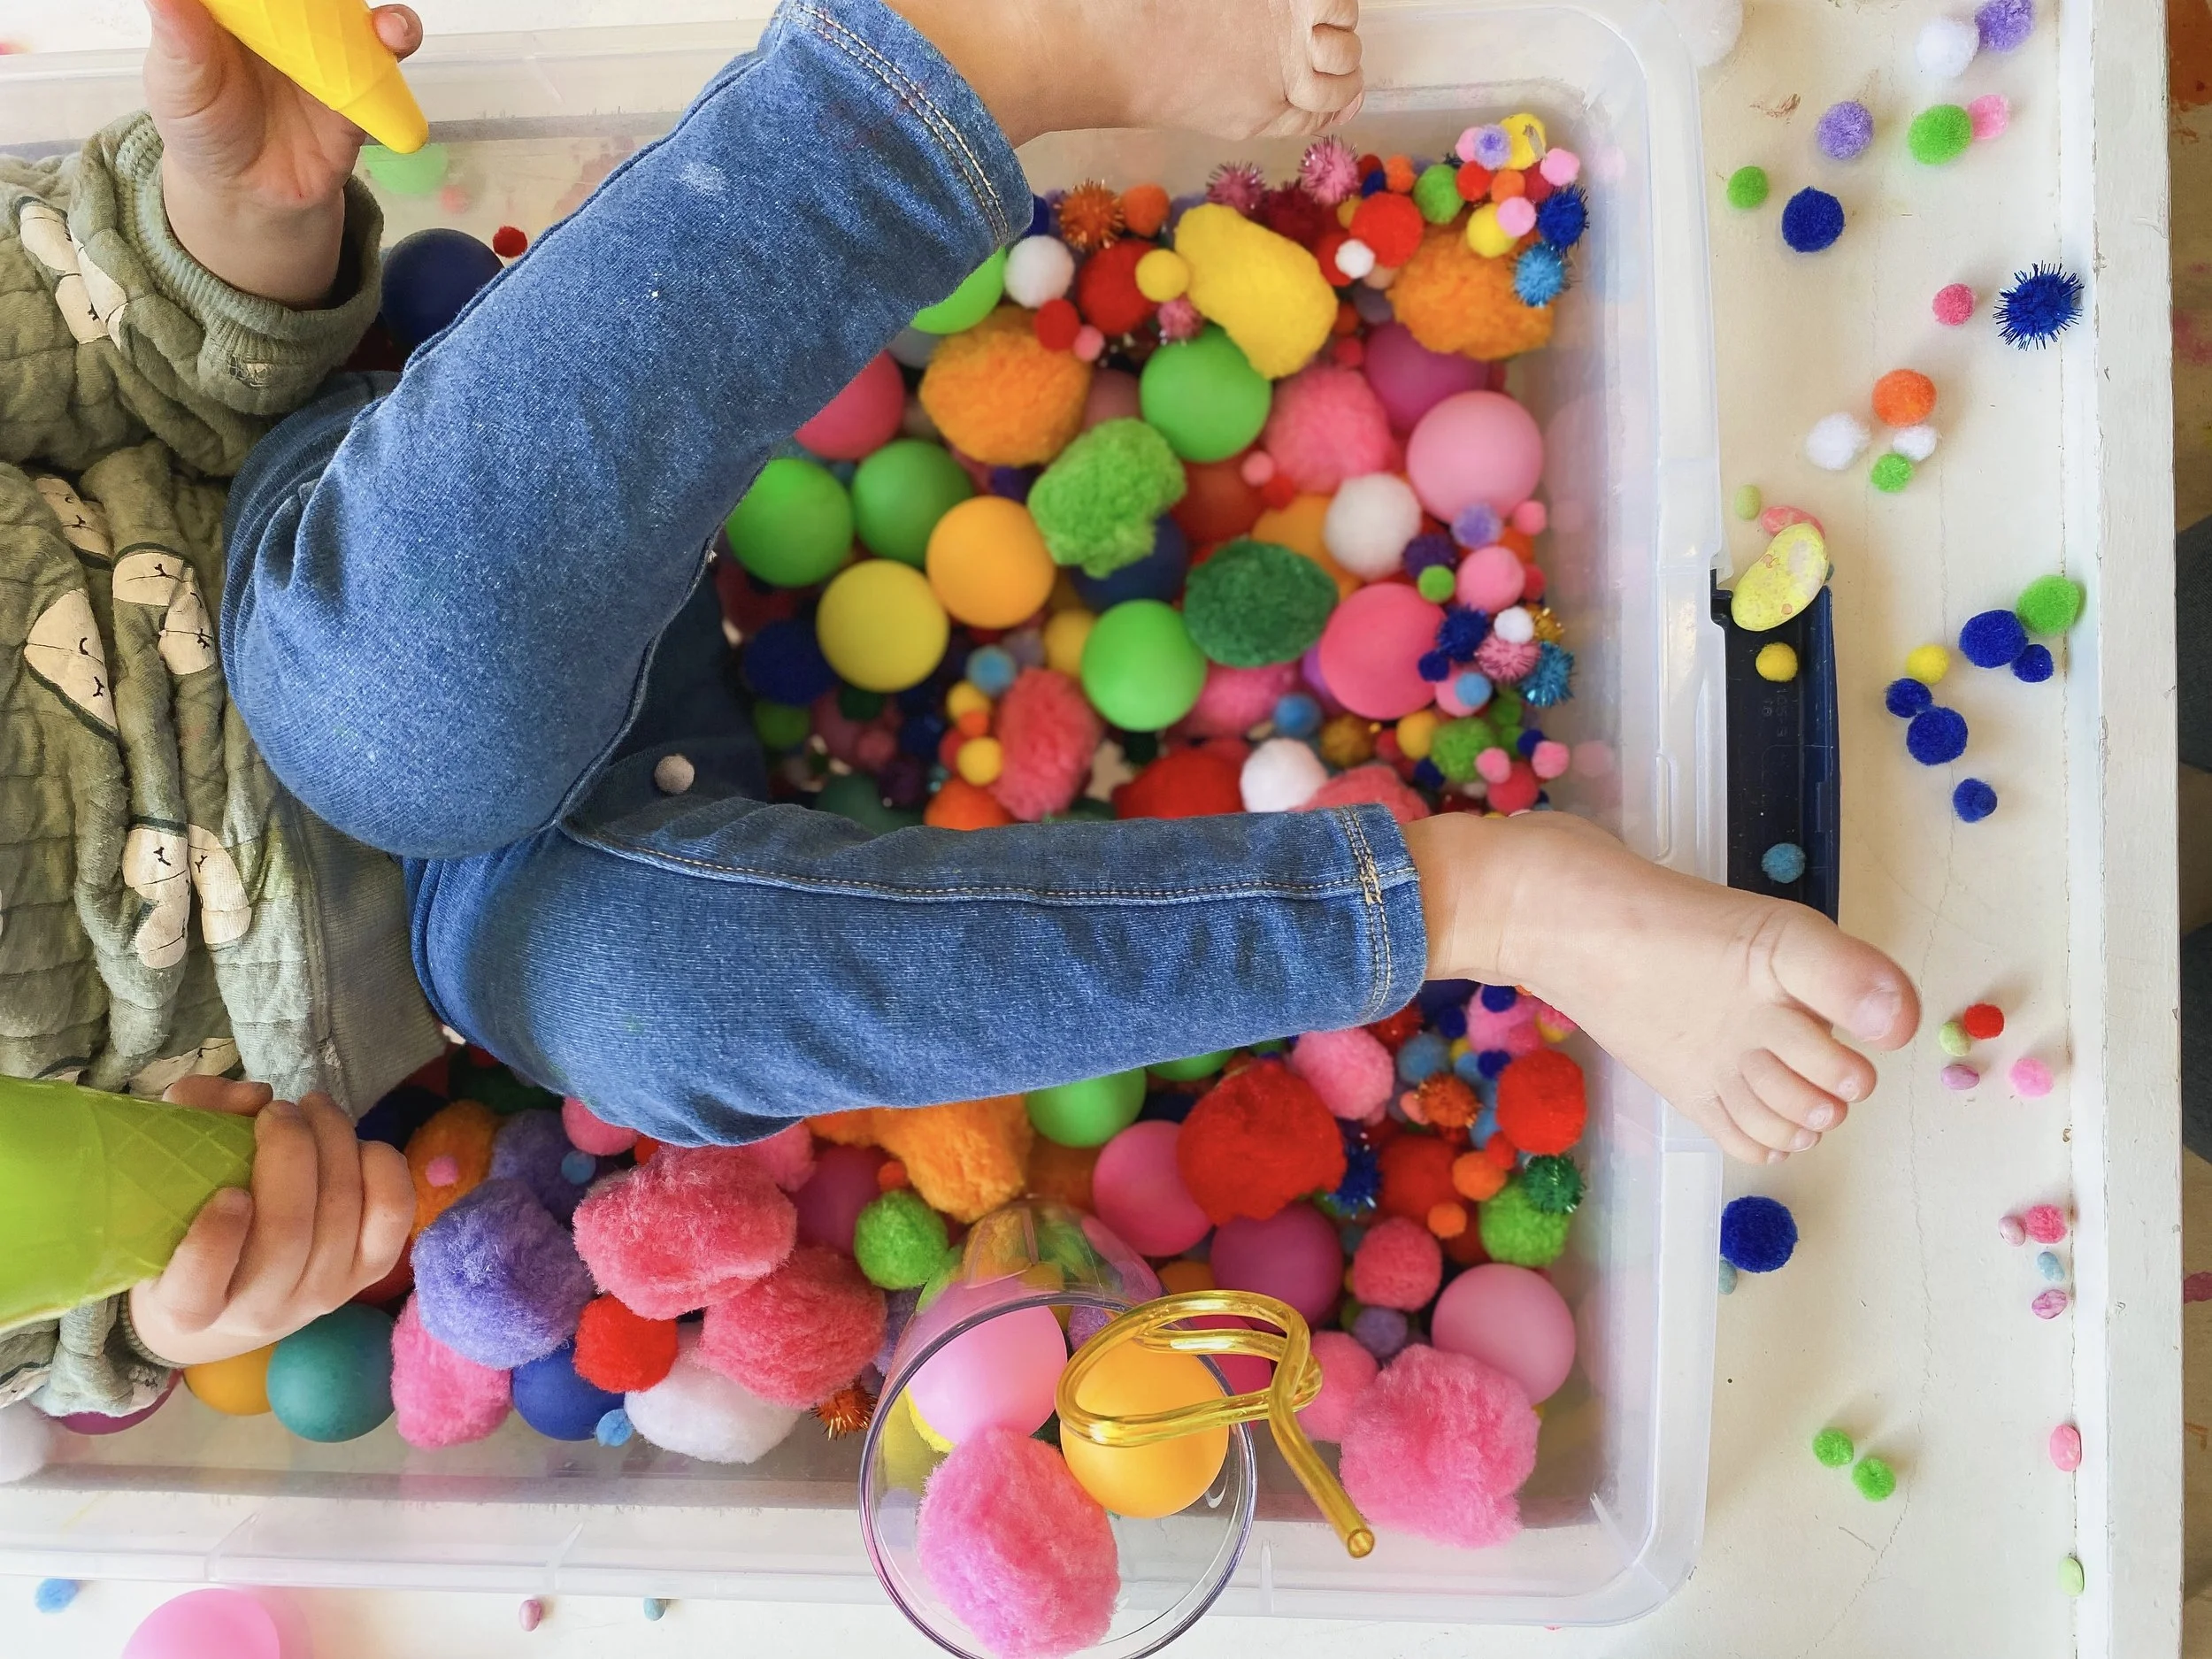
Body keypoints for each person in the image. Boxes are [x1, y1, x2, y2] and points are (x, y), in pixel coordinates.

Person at [0, 0, 1919, 1415]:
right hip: (437, 956)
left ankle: (956, 66)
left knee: (398, 718)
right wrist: (179, 1309)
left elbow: (102, 349)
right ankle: (1468, 899)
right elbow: (58, 1341)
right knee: (641, 1019)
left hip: (353, 594)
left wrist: (226, 238)